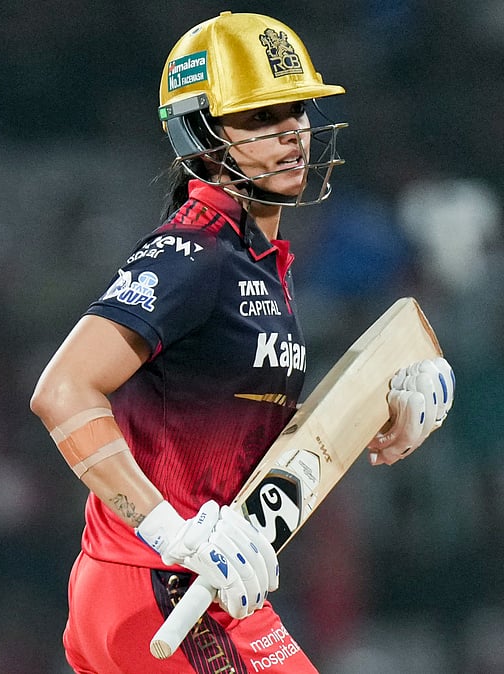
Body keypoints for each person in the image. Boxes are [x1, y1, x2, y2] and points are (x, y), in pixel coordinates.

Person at [29, 12, 455, 674]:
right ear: (200, 136)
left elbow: (245, 444)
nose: (291, 133)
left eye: (295, 110)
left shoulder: (256, 259)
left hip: (194, 585)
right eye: (257, 118)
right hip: (164, 586)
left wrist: (384, 399)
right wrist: (172, 532)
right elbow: (62, 392)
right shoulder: (196, 253)